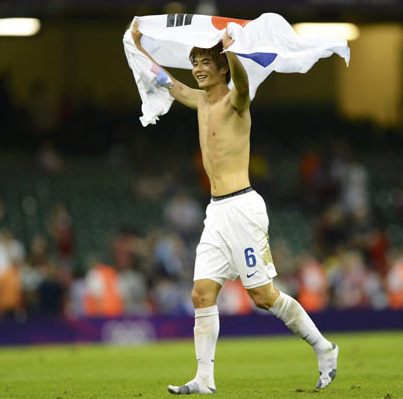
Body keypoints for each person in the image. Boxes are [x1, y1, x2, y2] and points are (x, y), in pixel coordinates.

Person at [131, 21, 338, 394]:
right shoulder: (199, 100)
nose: (196, 68)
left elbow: (242, 85)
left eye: (204, 62)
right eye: (194, 61)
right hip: (216, 212)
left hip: (242, 207)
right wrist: (137, 47)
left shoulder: (237, 101)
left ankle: (324, 348)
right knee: (201, 293)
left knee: (262, 296)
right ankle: (204, 378)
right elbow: (168, 83)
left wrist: (230, 49)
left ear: (222, 66)